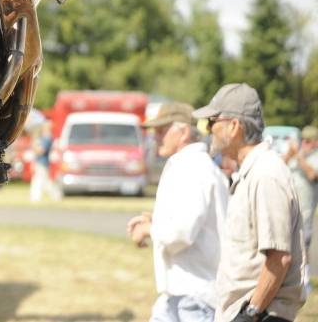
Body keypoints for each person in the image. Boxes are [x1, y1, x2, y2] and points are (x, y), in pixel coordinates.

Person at [194, 83, 307, 322]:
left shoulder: (266, 173)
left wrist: (251, 313)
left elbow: (279, 258)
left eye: (213, 121)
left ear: (234, 126)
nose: (208, 129)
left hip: (261, 314)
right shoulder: (252, 171)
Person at [126, 102, 229, 322]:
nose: (155, 137)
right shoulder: (193, 166)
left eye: (161, 131)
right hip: (183, 293)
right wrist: (155, 222)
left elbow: (181, 233)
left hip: (195, 295)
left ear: (183, 132)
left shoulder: (192, 169)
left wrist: (149, 229)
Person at [282, 125, 318, 250]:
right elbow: (279, 166)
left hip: (305, 212)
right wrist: (289, 153)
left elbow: (312, 175)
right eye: (302, 140)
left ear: (316, 142)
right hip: (288, 209)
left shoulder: (315, 156)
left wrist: (297, 155)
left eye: (307, 141)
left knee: (302, 246)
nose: (303, 143)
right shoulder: (298, 154)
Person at [30, 121, 61, 202]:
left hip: (42, 162)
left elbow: (41, 151)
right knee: (43, 181)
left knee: (39, 180)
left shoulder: (47, 138)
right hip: (41, 162)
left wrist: (34, 146)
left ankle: (36, 197)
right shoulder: (44, 138)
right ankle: (55, 195)